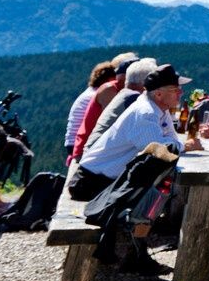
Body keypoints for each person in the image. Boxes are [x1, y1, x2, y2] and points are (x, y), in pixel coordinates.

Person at [72, 64, 191, 200]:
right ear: (158, 94)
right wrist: (185, 146)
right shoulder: (145, 113)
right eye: (176, 89)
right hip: (90, 182)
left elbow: (171, 141)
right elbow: (159, 151)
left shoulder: (159, 108)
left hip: (103, 178)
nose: (181, 93)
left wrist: (177, 145)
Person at [84, 58, 158, 153]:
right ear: (146, 82)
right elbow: (148, 136)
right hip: (98, 155)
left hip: (96, 152)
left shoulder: (125, 94)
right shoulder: (133, 98)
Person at [73, 53, 137, 161]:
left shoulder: (122, 91)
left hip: (103, 149)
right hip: (89, 151)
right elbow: (116, 122)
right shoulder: (109, 90)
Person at [65, 61, 118, 158]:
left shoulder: (89, 92)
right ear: (110, 79)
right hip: (78, 143)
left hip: (72, 142)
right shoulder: (98, 95)